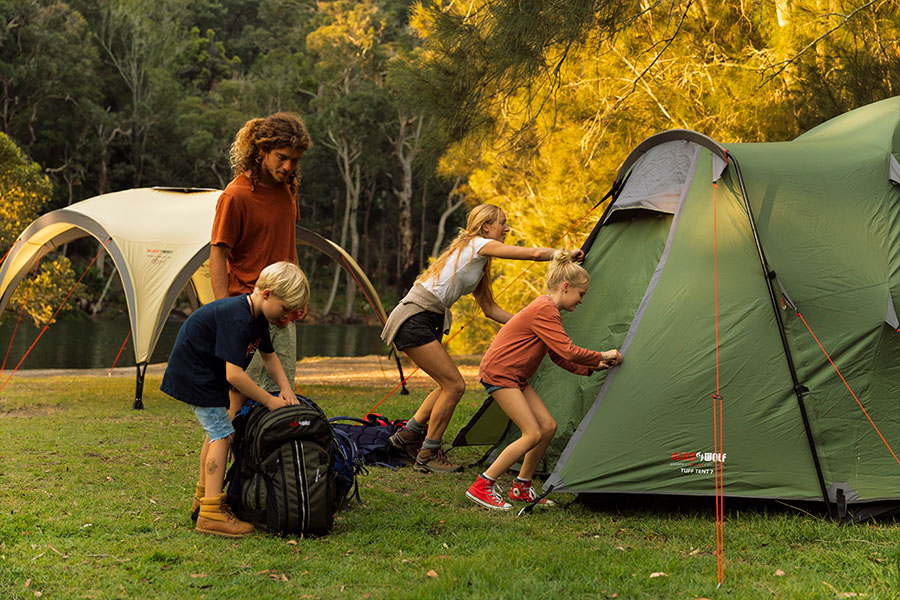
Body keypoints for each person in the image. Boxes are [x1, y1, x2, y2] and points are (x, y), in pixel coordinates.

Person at [381, 204, 585, 473]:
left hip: (425, 319)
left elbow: (491, 310)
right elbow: (534, 253)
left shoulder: (477, 264)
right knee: (454, 385)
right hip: (414, 317)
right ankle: (427, 454)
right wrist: (564, 255)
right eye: (503, 222)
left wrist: (532, 327)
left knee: (447, 384)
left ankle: (407, 437)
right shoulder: (476, 244)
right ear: (485, 226)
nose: (507, 228)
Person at [162, 262, 310, 536]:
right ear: (266, 294)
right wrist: (270, 400)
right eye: (285, 309)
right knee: (222, 434)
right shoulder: (238, 318)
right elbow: (235, 375)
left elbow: (269, 355)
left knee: (217, 432)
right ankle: (211, 513)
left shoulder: (257, 317)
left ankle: (203, 497)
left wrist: (286, 388)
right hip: (195, 373)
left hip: (204, 371)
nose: (287, 317)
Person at [465, 251, 622, 510]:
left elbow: (559, 357)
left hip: (516, 376)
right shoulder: (544, 310)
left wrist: (594, 365)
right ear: (565, 287)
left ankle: (521, 486)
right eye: (581, 294)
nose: (581, 301)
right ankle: (482, 485)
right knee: (532, 433)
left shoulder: (547, 310)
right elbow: (569, 350)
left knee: (547, 427)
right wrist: (603, 353)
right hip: (501, 374)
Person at [210, 112, 311, 402]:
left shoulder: (289, 189)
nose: (289, 166)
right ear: (262, 151)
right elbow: (218, 256)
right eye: (282, 157)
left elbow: (288, 242)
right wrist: (224, 313)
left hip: (283, 312)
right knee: (235, 400)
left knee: (280, 395)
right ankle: (222, 448)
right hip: (248, 308)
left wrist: (299, 295)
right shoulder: (235, 196)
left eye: (295, 160)